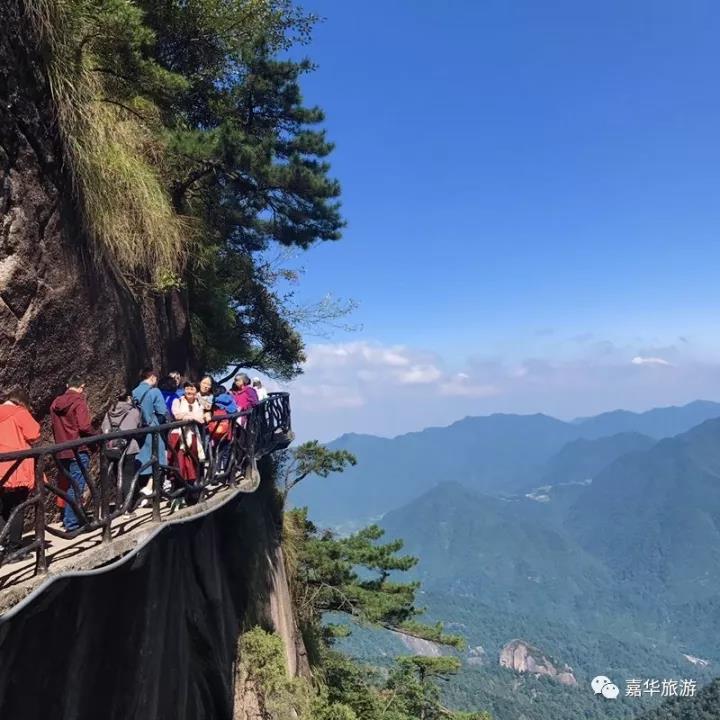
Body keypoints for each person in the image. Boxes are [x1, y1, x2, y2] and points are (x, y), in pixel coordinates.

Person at [50, 377, 95, 532]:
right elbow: (84, 426)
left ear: (68, 385)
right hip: (78, 448)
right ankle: (72, 523)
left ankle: (72, 518)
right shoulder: (78, 401)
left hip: (62, 450)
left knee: (70, 484)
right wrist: (94, 439)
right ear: (81, 387)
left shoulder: (55, 403)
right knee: (77, 485)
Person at [0, 390, 41, 550]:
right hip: (15, 468)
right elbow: (34, 434)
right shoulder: (19, 413)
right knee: (17, 506)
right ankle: (14, 548)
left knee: (2, 506)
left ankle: (2, 544)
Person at [101, 390, 142, 511]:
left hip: (111, 447)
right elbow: (137, 426)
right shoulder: (133, 411)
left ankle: (118, 504)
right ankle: (127, 507)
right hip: (128, 448)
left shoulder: (110, 412)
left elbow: (104, 428)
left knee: (116, 476)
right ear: (128, 398)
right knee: (128, 476)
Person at [132, 369, 169, 498]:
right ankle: (149, 489)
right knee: (158, 459)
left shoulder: (134, 391)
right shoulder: (154, 391)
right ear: (152, 378)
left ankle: (136, 493)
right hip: (152, 429)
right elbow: (162, 411)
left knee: (140, 460)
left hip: (137, 431)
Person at [169, 383, 205, 485]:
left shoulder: (199, 403)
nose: (189, 391)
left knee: (192, 462)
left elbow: (201, 417)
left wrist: (186, 415)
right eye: (187, 389)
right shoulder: (178, 401)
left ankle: (191, 487)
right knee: (179, 462)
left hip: (192, 435)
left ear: (196, 391)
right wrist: (191, 416)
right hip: (178, 435)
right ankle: (177, 487)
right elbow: (176, 415)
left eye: (192, 389)